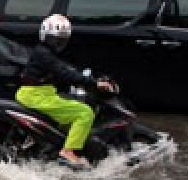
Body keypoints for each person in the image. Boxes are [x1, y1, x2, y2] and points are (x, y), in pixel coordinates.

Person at [16, 14, 114, 170]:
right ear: (45, 36)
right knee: (84, 113)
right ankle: (67, 151)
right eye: (54, 39)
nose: (57, 43)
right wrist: (94, 83)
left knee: (72, 103)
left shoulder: (45, 52)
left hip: (40, 93)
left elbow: (63, 69)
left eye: (61, 40)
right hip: (36, 96)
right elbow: (63, 72)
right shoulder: (44, 54)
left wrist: (82, 77)